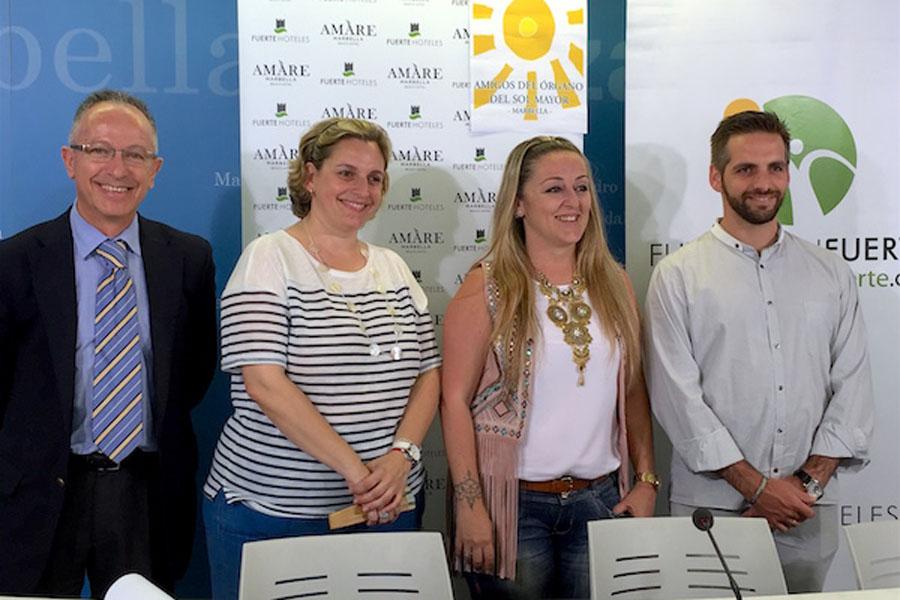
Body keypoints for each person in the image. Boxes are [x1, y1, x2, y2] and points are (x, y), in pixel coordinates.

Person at [203, 117, 441, 600]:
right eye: (346, 173)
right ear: (310, 177)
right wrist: (359, 475)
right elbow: (264, 383)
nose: (362, 190)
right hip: (274, 513)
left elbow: (429, 373)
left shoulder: (393, 267)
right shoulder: (269, 258)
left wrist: (402, 457)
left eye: (375, 178)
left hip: (387, 508)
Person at [644, 110, 874, 593]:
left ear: (788, 174)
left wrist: (803, 487)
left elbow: (852, 387)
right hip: (712, 508)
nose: (763, 183)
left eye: (775, 168)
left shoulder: (830, 272)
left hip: (807, 510)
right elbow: (677, 401)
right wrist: (758, 488)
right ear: (716, 177)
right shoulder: (678, 276)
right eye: (746, 169)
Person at [0, 89, 217, 596]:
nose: (117, 169)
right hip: (38, 492)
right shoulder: (14, 262)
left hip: (145, 491)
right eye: (99, 150)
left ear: (155, 169)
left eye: (135, 154)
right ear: (69, 160)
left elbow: (193, 373)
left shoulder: (188, 259)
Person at [441, 136, 658, 599]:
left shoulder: (614, 282)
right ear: (519, 204)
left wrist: (646, 480)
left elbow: (632, 389)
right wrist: (470, 504)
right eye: (554, 188)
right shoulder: (487, 286)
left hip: (601, 501)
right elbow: (454, 400)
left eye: (581, 188)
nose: (572, 202)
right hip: (513, 506)